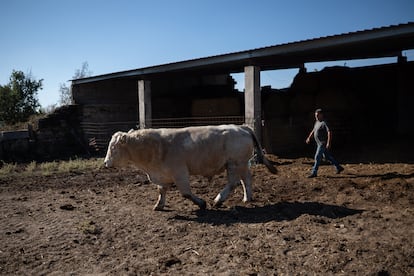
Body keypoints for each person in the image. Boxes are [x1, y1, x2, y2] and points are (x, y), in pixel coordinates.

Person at [305, 108, 344, 178]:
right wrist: (309, 137)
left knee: (317, 157)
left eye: (317, 115)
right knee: (327, 157)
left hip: (322, 143)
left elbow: (329, 132)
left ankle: (314, 172)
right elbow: (314, 130)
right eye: (315, 115)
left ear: (321, 115)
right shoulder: (317, 122)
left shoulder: (324, 122)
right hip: (318, 143)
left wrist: (328, 142)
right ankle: (338, 167)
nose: (316, 117)